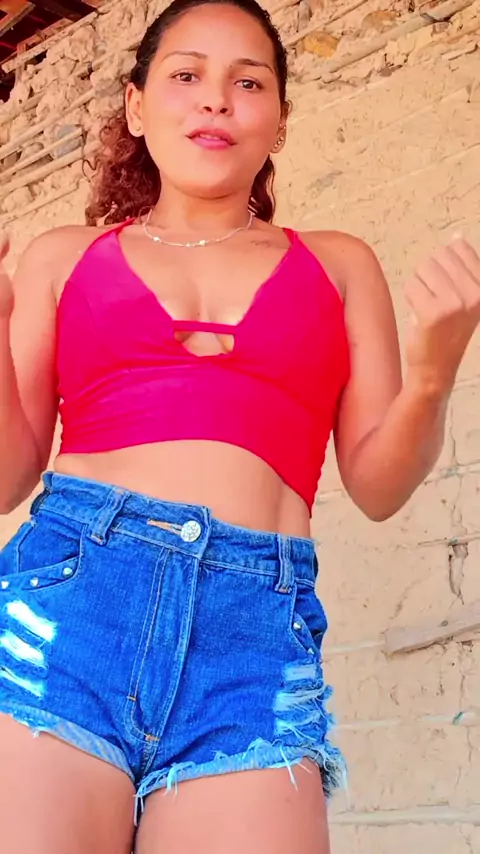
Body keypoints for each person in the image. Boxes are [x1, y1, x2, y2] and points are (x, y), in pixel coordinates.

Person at [0, 0, 479, 850]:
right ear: (137, 106)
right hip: (71, 603)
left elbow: (378, 486)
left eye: (247, 82)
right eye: (186, 75)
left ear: (279, 120)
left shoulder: (338, 264)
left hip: (252, 632)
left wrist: (436, 371)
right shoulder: (62, 258)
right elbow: (7, 478)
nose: (215, 99)